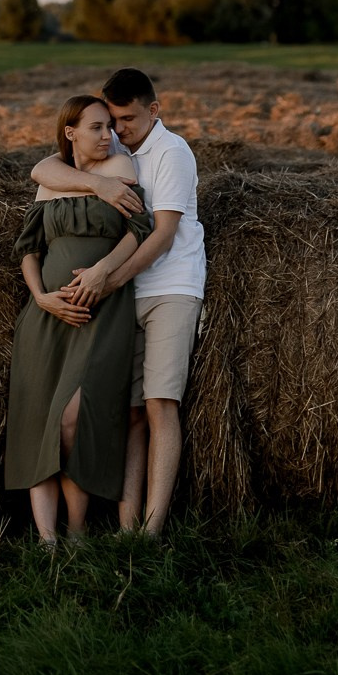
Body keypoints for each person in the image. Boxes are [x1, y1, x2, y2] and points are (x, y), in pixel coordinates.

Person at [30, 67, 206, 536]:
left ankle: (151, 530)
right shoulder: (116, 150)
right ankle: (126, 527)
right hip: (129, 295)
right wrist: (99, 185)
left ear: (154, 110)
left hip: (169, 289)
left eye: (127, 119)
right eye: (111, 121)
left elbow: (161, 234)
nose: (118, 129)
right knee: (129, 413)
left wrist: (107, 279)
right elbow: (43, 169)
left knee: (160, 404)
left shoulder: (172, 152)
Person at [4, 94, 152, 544]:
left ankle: (77, 528)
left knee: (73, 419)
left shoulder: (121, 170)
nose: (109, 135)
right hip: (46, 318)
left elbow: (139, 230)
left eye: (110, 126)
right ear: (71, 133)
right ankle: (50, 541)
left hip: (100, 313)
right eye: (97, 127)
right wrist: (41, 297)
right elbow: (29, 249)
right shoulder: (50, 179)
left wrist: (103, 270)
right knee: (39, 423)